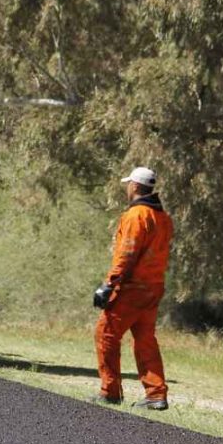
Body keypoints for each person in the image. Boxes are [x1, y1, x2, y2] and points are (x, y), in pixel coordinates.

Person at [92, 166, 175, 410]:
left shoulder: (136, 216)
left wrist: (109, 284)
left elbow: (127, 254)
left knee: (105, 333)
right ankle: (156, 394)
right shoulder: (163, 218)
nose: (127, 187)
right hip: (154, 287)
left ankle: (110, 392)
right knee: (145, 340)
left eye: (129, 184)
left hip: (132, 288)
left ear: (135, 187)